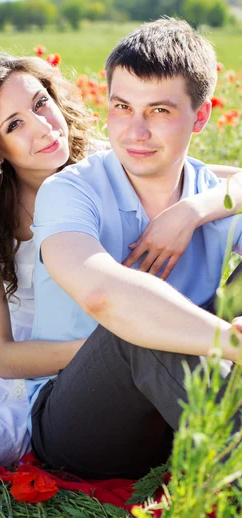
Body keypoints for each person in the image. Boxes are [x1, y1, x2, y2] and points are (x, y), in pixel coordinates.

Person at [0, 50, 239, 469]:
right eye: (15, 125)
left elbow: (223, 177)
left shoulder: (114, 159)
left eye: (40, 104)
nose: (44, 129)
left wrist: (191, 211)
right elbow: (3, 356)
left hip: (121, 328)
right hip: (31, 359)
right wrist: (142, 332)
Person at [27, 18, 242, 481]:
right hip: (81, 422)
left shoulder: (208, 188)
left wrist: (194, 210)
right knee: (135, 322)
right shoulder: (70, 190)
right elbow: (102, 295)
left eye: (159, 111)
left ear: (200, 116)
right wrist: (232, 345)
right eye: (122, 106)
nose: (135, 132)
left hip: (183, 398)